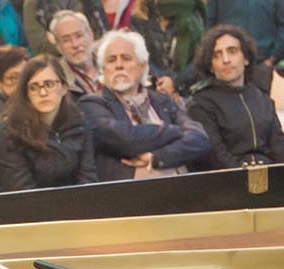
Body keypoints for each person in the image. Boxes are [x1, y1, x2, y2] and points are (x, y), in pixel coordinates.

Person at [78, 30, 212, 182]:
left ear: (142, 66)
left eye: (126, 58)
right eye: (111, 60)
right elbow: (126, 139)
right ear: (103, 69)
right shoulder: (92, 104)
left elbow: (200, 139)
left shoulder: (163, 100)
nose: (119, 65)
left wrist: (156, 157)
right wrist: (177, 131)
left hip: (181, 185)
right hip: (131, 192)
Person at [186, 25, 284, 168]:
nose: (226, 60)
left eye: (232, 51)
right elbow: (216, 156)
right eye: (217, 55)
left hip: (269, 174)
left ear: (246, 58)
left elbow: (280, 148)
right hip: (229, 177)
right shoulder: (200, 104)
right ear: (211, 66)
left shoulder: (262, 99)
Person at [0, 57, 96, 192]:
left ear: (64, 87)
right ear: (26, 94)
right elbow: (20, 191)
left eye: (49, 84)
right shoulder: (8, 131)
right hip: (27, 203)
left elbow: (88, 179)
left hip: (78, 201)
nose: (43, 93)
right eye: (33, 87)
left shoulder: (80, 123)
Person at [129, 0, 206, 92]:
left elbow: (200, 56)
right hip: (151, 88)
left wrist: (175, 82)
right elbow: (138, 54)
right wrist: (161, 81)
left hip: (188, 89)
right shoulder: (140, 15)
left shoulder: (193, 11)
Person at [48, 10, 103, 98]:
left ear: (91, 35)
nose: (75, 44)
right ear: (58, 46)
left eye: (79, 36)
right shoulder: (57, 83)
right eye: (66, 40)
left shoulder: (112, 61)